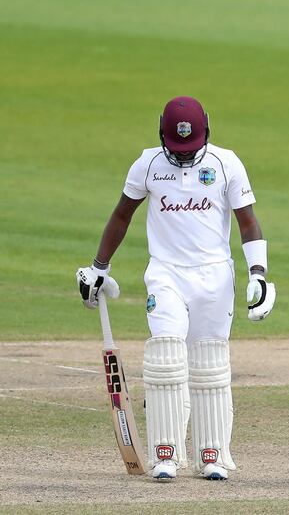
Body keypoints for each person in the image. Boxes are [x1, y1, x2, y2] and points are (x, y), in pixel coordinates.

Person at [76, 96, 276, 480]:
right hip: (165, 273)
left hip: (215, 277)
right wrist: (98, 267)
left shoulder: (226, 163)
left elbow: (248, 222)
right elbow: (122, 214)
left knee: (209, 364)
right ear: (162, 136)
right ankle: (165, 454)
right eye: (176, 149)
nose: (183, 157)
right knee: (166, 356)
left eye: (190, 148)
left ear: (206, 134)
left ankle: (211, 455)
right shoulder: (148, 163)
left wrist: (258, 274)